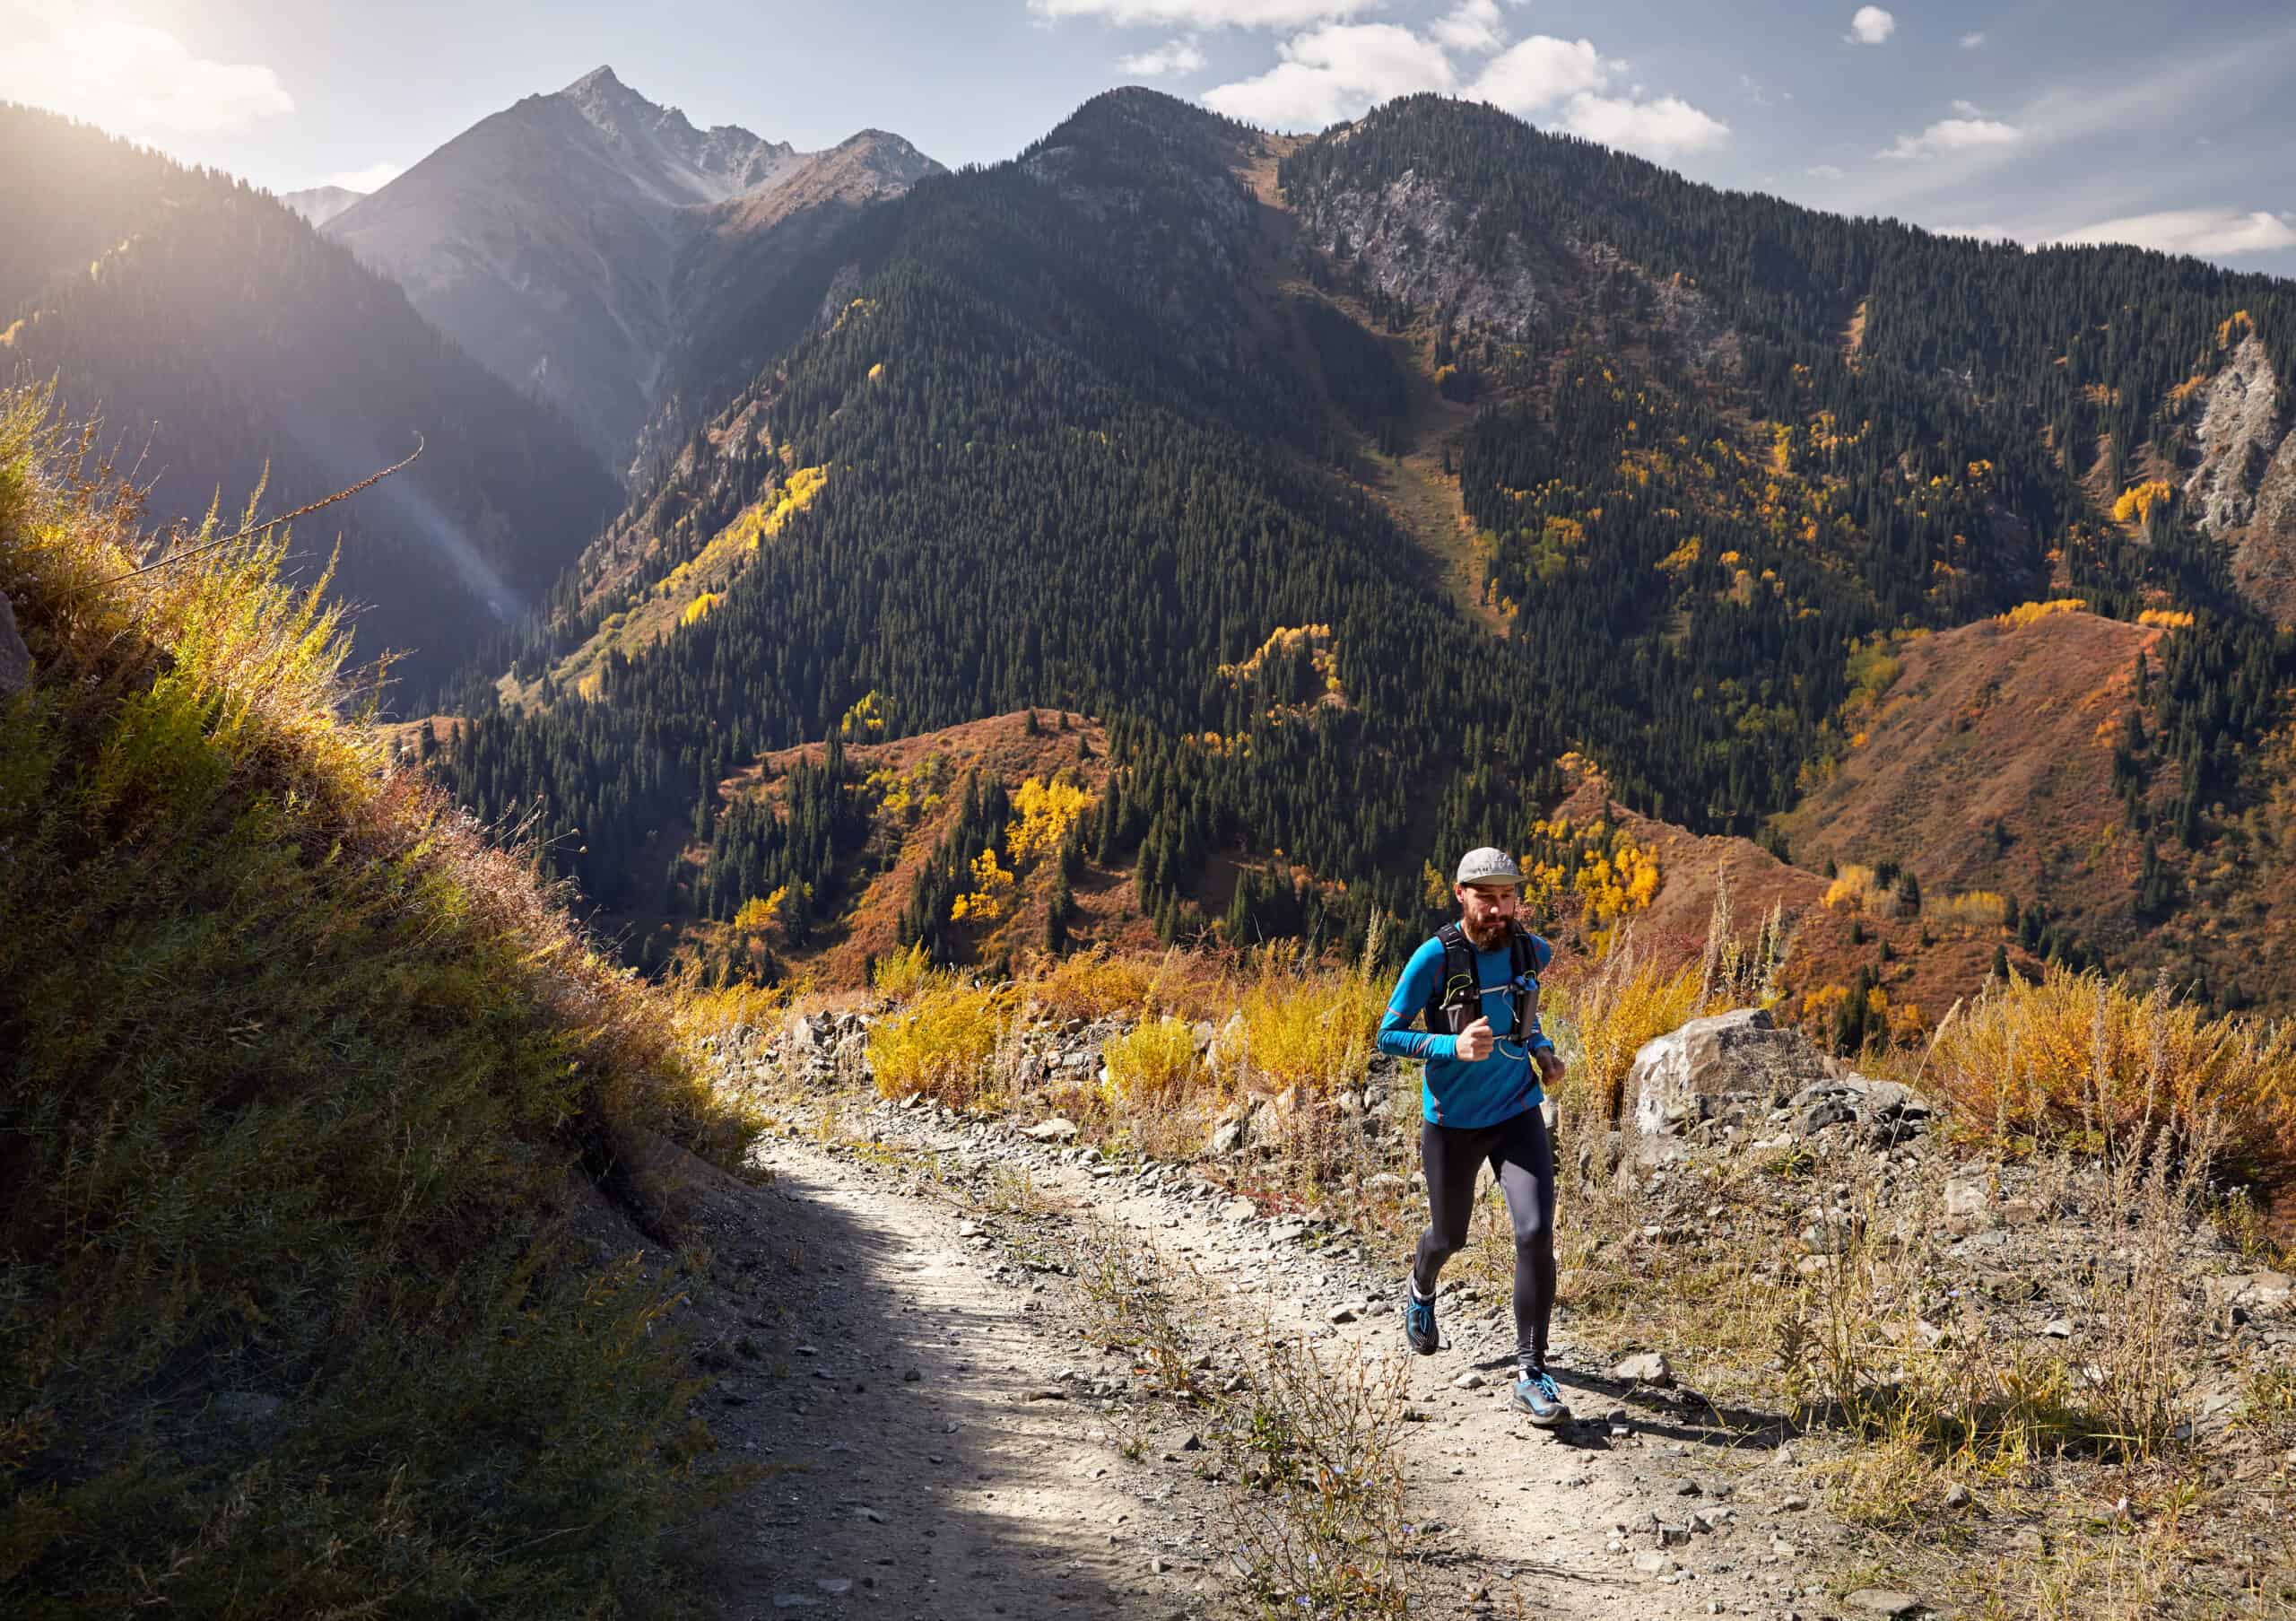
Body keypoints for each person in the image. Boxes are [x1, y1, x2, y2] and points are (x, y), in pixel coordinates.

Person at [1375, 847, 1570, 1426]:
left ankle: (1532, 1373)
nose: (1498, 910)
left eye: (1507, 898)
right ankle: (1421, 1281)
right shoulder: (1434, 958)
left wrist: (1541, 1051)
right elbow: (1388, 1034)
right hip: (1453, 1124)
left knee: (1535, 1230)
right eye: (1486, 899)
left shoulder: (1526, 949)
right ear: (1460, 894)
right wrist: (1448, 1046)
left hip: (1516, 1111)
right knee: (1449, 1234)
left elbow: (1524, 1018)